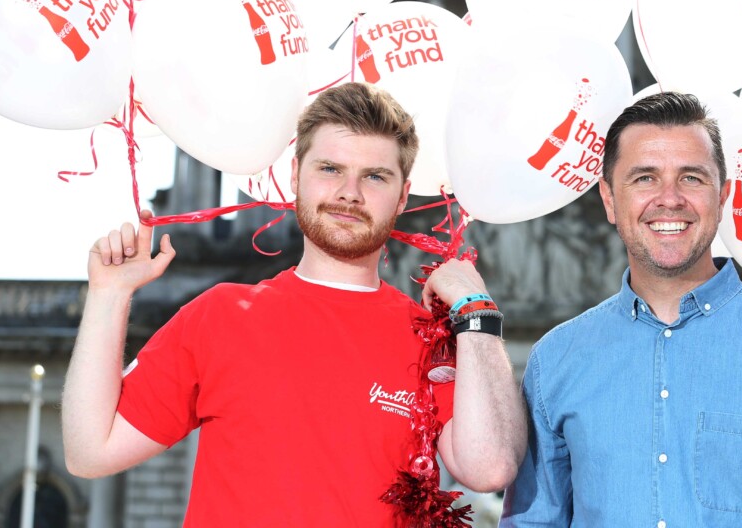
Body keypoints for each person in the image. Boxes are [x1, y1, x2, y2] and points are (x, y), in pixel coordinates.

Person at [62, 82, 526, 526]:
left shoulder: (430, 337)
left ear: (402, 196)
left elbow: (490, 468)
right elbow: (90, 452)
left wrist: (477, 311)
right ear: (294, 176)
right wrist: (109, 295)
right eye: (330, 169)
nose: (350, 192)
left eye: (375, 176)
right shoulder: (219, 314)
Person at [501, 91, 742, 527]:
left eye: (692, 178)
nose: (670, 198)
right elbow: (532, 522)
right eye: (644, 178)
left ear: (723, 198)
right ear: (609, 199)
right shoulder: (556, 359)